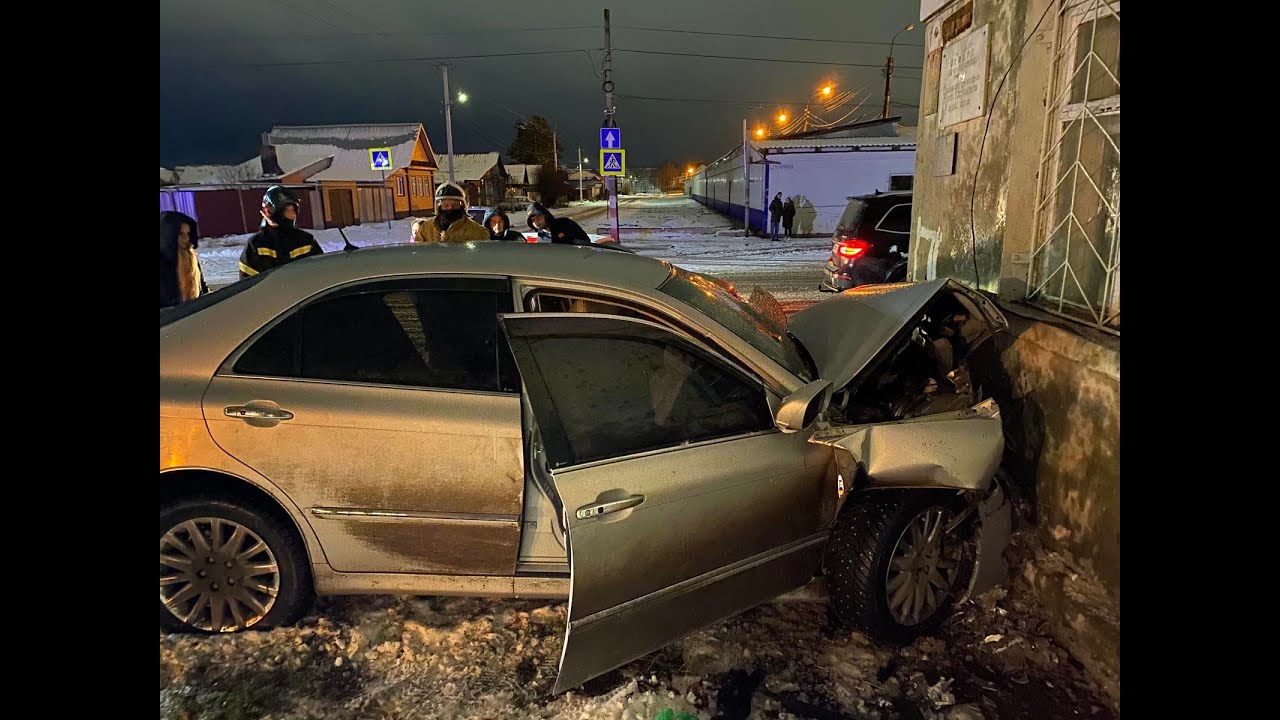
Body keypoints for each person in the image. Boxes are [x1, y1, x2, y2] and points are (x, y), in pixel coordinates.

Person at [239, 186, 324, 279]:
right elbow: (247, 284)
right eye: (287, 210)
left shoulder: (306, 241)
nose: (292, 215)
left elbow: (322, 274)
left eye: (294, 210)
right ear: (267, 211)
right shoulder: (256, 245)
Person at [412, 182, 490, 243]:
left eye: (454, 205)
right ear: (439, 206)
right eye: (446, 205)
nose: (450, 208)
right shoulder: (426, 229)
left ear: (462, 206)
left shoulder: (478, 232)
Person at [160, 210, 208, 308]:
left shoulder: (190, 257)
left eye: (188, 233)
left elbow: (202, 289)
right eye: (181, 234)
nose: (186, 238)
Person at [526, 202, 591, 245]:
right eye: (533, 220)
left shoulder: (565, 224)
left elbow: (585, 242)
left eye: (539, 217)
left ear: (546, 215)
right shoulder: (541, 235)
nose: (536, 222)